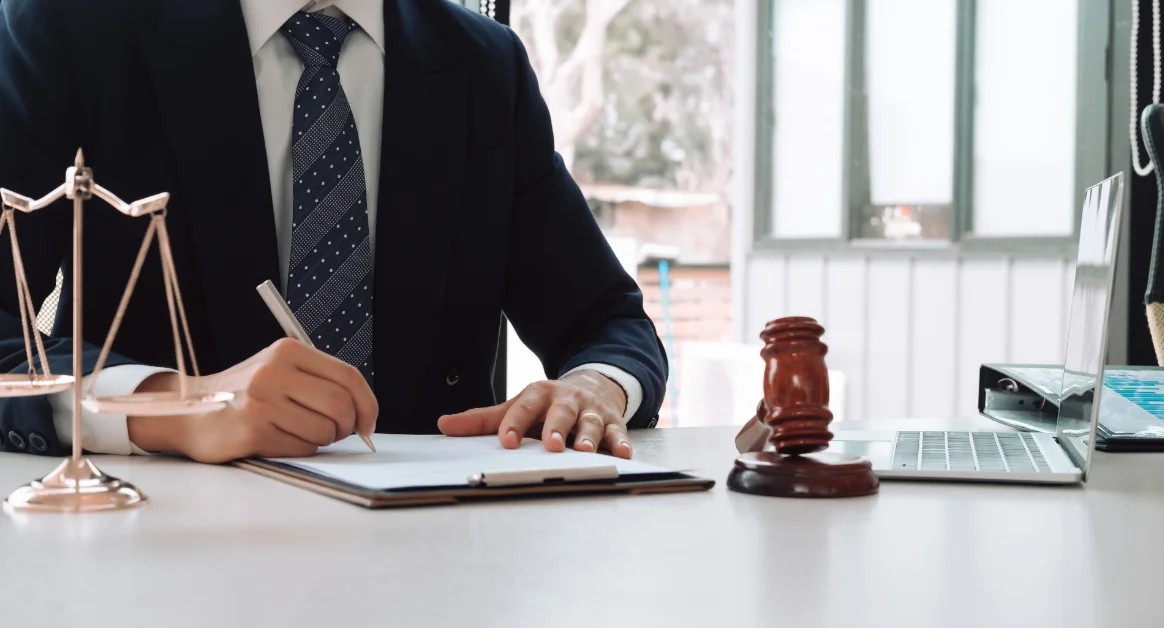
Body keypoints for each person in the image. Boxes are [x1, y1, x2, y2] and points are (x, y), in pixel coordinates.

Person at [0, 0, 666, 463]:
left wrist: (594, 389)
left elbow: (608, 323)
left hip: (439, 559)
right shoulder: (66, 29)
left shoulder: (484, 64)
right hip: (156, 552)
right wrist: (179, 407)